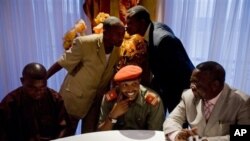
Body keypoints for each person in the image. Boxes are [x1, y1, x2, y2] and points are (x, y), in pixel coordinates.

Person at [47, 16, 125, 134]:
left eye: (123, 34)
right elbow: (62, 62)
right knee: (65, 135)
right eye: (118, 34)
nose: (122, 38)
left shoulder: (117, 49)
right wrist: (44, 78)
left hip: (95, 103)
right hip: (74, 99)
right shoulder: (84, 44)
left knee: (90, 135)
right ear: (106, 33)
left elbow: (112, 73)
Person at [126, 5, 195, 114]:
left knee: (178, 124)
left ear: (142, 22)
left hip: (179, 89)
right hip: (170, 85)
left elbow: (176, 72)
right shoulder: (155, 26)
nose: (126, 26)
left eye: (130, 23)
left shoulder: (162, 40)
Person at [163, 61, 250, 141]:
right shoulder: (188, 95)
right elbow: (172, 119)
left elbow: (242, 134)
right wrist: (177, 135)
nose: (191, 86)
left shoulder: (241, 102)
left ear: (215, 85)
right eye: (191, 82)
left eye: (196, 83)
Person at [0, 62, 69, 141]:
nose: (38, 92)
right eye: (32, 87)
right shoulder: (10, 103)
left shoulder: (55, 99)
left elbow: (64, 128)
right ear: (22, 81)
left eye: (42, 87)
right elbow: (3, 133)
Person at [98, 65, 165, 131]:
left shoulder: (153, 101)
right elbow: (101, 134)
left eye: (134, 84)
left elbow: (155, 134)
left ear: (139, 81)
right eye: (125, 85)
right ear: (118, 85)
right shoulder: (109, 99)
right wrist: (113, 115)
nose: (130, 89)